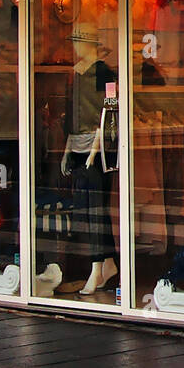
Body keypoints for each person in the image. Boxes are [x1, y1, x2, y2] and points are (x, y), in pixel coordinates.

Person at [62, 23, 118, 295]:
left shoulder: (103, 73)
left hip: (97, 150)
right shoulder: (76, 73)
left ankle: (99, 267)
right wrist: (67, 148)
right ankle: (106, 263)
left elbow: (108, 112)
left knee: (96, 208)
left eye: (77, 41)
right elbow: (73, 114)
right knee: (87, 209)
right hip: (79, 147)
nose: (74, 47)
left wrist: (96, 150)